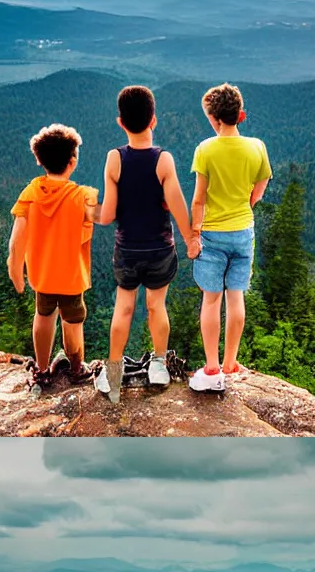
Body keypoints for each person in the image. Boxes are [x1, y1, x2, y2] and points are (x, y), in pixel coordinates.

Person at [94, 84, 194, 403]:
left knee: (123, 308)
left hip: (127, 250)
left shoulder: (115, 159)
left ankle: (113, 375)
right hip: (160, 249)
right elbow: (177, 203)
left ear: (120, 122)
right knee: (156, 306)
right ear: (154, 120)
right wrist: (191, 237)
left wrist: (85, 209)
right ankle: (159, 365)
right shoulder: (163, 160)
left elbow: (107, 215)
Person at [188, 83, 271, 393]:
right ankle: (231, 363)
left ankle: (211, 367)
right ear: (241, 115)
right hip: (242, 231)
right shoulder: (257, 147)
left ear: (213, 118)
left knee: (211, 300)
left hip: (212, 233)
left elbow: (198, 199)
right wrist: (242, 207)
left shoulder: (205, 149)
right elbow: (259, 190)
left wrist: (194, 235)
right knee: (236, 297)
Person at [8, 124, 99, 385]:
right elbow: (103, 215)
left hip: (42, 275)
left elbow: (17, 240)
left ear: (39, 160)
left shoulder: (31, 194)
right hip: (71, 276)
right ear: (73, 162)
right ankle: (77, 368)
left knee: (43, 316)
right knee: (73, 322)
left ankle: (42, 368)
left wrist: (16, 272)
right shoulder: (82, 195)